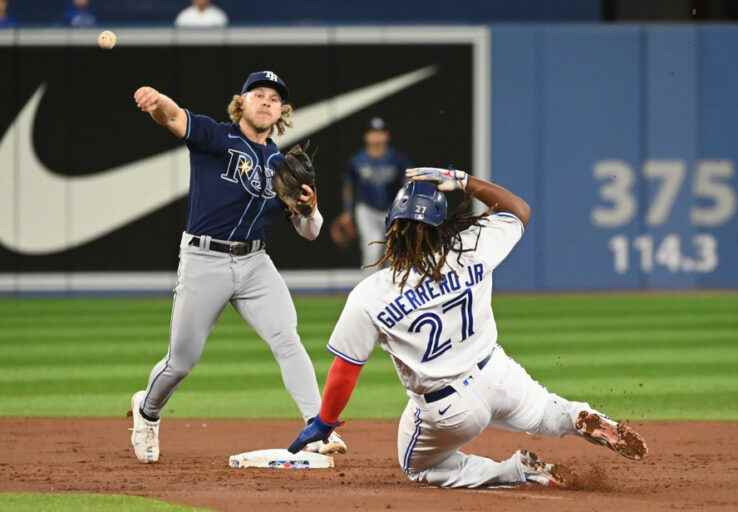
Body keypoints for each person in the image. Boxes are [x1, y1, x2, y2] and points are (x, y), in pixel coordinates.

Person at [288, 168, 648, 488]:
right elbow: (518, 210)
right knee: (545, 413)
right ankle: (577, 415)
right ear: (442, 224)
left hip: (450, 409)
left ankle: (515, 471)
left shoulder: (372, 294)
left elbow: (346, 369)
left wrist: (324, 421)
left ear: (391, 227)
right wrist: (463, 180)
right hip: (498, 373)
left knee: (417, 466)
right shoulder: (471, 245)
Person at [128, 70, 347, 463]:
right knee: (181, 362)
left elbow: (310, 231)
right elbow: (174, 117)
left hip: (254, 263)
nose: (266, 101)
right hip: (204, 259)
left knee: (287, 338)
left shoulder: (282, 164)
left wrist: (309, 208)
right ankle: (147, 411)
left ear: (282, 110)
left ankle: (317, 428)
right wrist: (157, 100)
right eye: (258, 94)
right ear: (241, 102)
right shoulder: (217, 137)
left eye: (274, 98)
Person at [330, 117, 410, 271]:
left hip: (392, 211)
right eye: (372, 132)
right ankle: (369, 292)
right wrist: (347, 212)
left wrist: (406, 208)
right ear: (366, 136)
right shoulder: (357, 160)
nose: (376, 136)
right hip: (367, 209)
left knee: (393, 253)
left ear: (387, 136)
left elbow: (407, 183)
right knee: (372, 251)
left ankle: (392, 291)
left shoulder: (398, 159)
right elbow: (349, 186)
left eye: (380, 132)